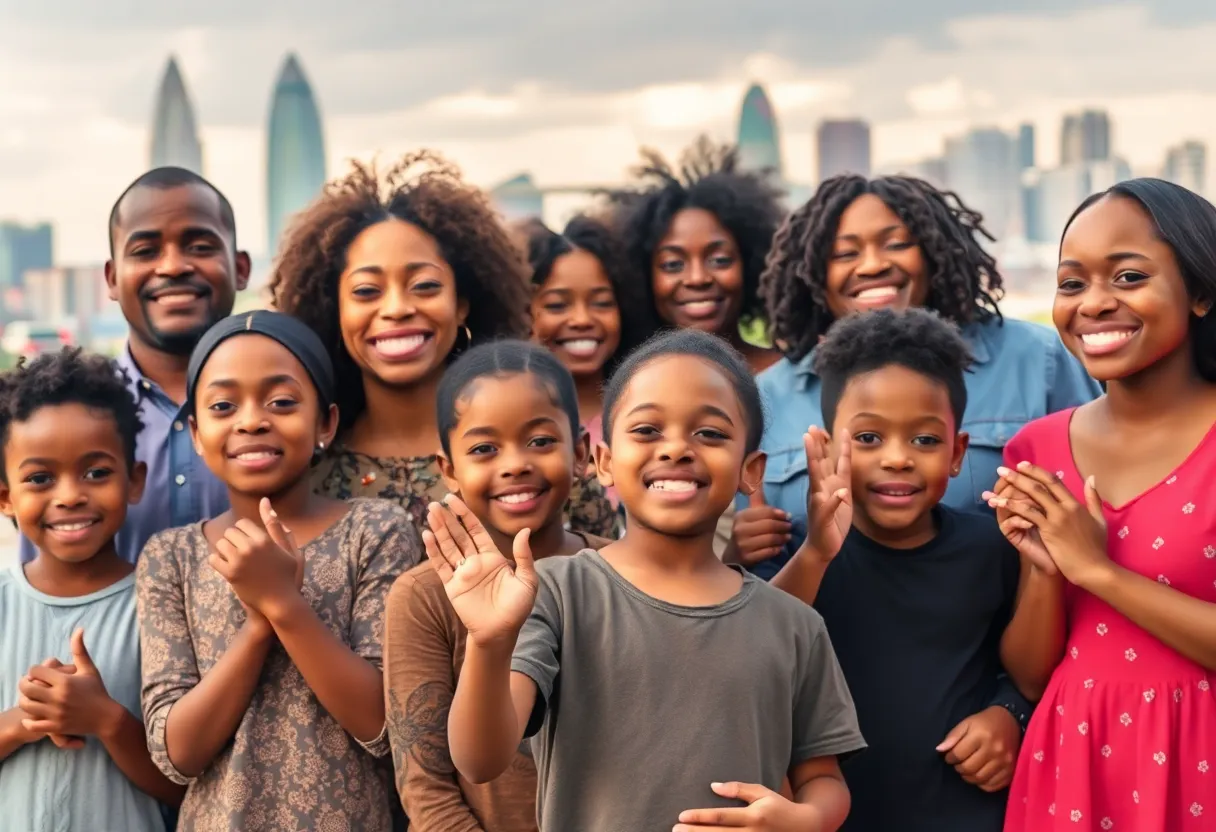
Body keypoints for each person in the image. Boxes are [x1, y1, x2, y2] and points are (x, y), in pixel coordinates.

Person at [428, 329, 867, 831]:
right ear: (605, 462)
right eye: (647, 430)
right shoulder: (556, 592)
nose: (677, 448)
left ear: (752, 470)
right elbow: (480, 759)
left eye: (710, 433)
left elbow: (824, 782)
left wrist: (801, 820)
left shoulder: (796, 623)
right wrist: (489, 642)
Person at [986, 179, 1216, 831]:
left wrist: (1098, 572)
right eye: (1071, 283)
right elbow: (1031, 676)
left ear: (1200, 292)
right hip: (1073, 761)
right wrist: (1044, 568)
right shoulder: (1037, 446)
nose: (1094, 304)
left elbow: (1098, 576)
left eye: (1128, 276)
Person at [136, 312, 421, 831]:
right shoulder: (169, 558)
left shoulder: (377, 530)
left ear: (325, 423)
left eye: (282, 402)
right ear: (197, 434)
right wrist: (257, 623)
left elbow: (385, 725)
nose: (251, 421)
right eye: (224, 406)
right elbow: (176, 754)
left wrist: (285, 605)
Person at [737, 174, 1101, 579]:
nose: (873, 265)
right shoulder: (767, 396)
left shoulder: (1038, 360)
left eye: (897, 244)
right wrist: (740, 547)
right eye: (844, 253)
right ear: (814, 274)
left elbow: (1099, 495)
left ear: (933, 252)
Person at [271, 153, 619, 540]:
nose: (397, 309)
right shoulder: (306, 475)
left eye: (425, 286)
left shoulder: (543, 456)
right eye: (367, 291)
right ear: (333, 311)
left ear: (463, 304)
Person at [771, 309, 1027, 831]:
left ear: (957, 453)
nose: (897, 459)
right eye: (867, 439)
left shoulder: (992, 546)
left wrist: (1010, 715)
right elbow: (757, 647)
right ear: (826, 446)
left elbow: (1029, 671)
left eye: (925, 441)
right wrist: (816, 552)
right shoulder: (798, 553)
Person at [384, 340, 614, 832]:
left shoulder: (618, 571)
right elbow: (426, 788)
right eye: (484, 448)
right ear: (448, 470)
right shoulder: (423, 596)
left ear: (580, 453)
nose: (515, 464)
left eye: (539, 441)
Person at [19, 167, 248, 566]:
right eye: (145, 251)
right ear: (111, 278)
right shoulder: (64, 419)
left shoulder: (285, 412)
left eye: (199, 246)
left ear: (241, 268)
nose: (173, 266)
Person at [0, 349, 183, 831]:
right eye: (40, 478)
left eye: (96, 472)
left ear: (134, 480)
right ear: (5, 497)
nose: (69, 495)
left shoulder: (162, 607)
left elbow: (186, 784)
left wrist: (106, 719)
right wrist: (24, 721)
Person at [603, 136, 784, 374]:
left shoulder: (791, 381)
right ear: (643, 278)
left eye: (719, 260)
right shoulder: (632, 386)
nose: (697, 278)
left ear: (752, 267)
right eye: (673, 264)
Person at [519, 214, 653, 453]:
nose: (582, 320)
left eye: (602, 303)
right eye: (557, 305)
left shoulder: (650, 413)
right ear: (523, 312)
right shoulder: (507, 419)